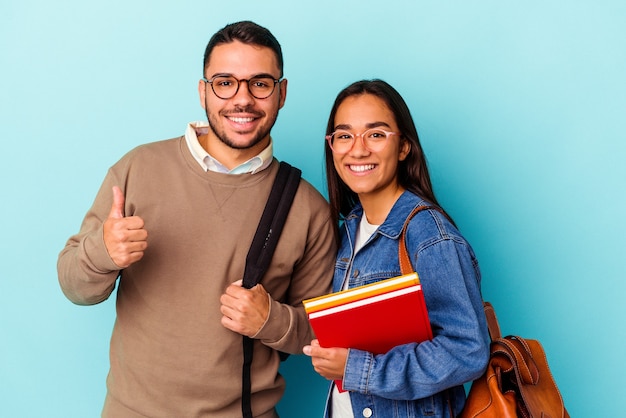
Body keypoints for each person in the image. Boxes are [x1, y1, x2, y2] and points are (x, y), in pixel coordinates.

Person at [57, 21, 336, 417]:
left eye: (260, 83)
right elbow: (74, 286)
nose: (243, 99)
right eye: (225, 82)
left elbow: (319, 330)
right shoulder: (139, 168)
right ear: (203, 90)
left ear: (282, 93)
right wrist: (103, 252)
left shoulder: (306, 207)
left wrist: (270, 320)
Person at [303, 79, 490, 417]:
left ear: (403, 147)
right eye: (344, 135)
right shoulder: (349, 231)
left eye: (375, 134)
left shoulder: (429, 235)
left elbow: (467, 351)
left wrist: (357, 369)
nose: (357, 149)